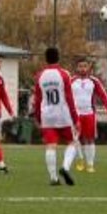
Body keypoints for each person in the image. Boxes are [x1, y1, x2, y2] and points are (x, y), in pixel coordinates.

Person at [31, 46, 79, 185]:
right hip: (63, 114)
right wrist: (75, 119)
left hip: (47, 115)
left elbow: (38, 99)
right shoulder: (64, 74)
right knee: (72, 143)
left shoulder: (40, 76)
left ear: (46, 59)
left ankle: (53, 178)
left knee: (50, 146)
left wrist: (38, 118)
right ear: (58, 57)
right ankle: (64, 167)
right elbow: (69, 98)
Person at [70, 57, 107, 173]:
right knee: (75, 139)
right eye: (80, 66)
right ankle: (80, 159)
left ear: (89, 67)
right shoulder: (71, 81)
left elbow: (103, 95)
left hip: (89, 113)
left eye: (85, 66)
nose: (83, 69)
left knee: (89, 139)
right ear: (76, 68)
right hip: (75, 115)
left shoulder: (94, 81)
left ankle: (90, 164)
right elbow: (65, 96)